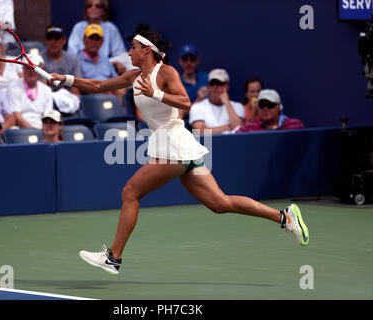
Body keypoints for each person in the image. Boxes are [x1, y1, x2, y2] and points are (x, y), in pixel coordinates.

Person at [50, 29, 309, 275]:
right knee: (219, 203)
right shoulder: (133, 76)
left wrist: (158, 93)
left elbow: (185, 101)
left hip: (173, 144)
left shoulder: (166, 72)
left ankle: (114, 257)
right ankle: (284, 217)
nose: (129, 53)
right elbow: (96, 86)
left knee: (130, 192)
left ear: (147, 50)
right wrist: (66, 79)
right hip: (180, 148)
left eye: (133, 48)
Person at [78, 23, 126, 103]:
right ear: (84, 40)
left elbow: (116, 80)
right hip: (91, 99)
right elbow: (78, 85)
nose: (94, 42)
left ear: (102, 41)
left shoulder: (105, 59)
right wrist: (101, 91)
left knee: (123, 88)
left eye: (97, 39)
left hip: (111, 96)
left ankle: (119, 113)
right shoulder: (77, 59)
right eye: (91, 38)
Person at [189, 68, 244, 134]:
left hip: (231, 142)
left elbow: (238, 128)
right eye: (212, 83)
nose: (215, 87)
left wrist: (227, 103)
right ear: (208, 86)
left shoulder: (238, 106)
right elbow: (200, 132)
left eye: (219, 83)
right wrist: (228, 127)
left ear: (227, 86)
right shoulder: (197, 107)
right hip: (208, 143)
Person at [7, 53, 53, 129]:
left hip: (42, 128)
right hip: (20, 129)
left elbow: (47, 116)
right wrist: (33, 131)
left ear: (42, 70)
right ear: (23, 69)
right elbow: (16, 117)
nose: (31, 71)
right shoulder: (13, 87)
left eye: (35, 68)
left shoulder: (46, 90)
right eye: (28, 67)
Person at [234, 89, 305, 133]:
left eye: (270, 105)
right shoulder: (248, 128)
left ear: (279, 107)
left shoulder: (295, 125)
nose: (265, 108)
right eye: (262, 105)